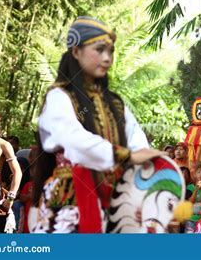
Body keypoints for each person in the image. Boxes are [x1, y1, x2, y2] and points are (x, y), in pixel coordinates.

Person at [31, 16, 163, 233]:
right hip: (71, 199)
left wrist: (149, 161)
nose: (107, 58)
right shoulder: (59, 96)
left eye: (110, 52)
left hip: (116, 199)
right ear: (76, 52)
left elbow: (137, 142)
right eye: (100, 50)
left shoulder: (116, 104)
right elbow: (73, 139)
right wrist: (125, 156)